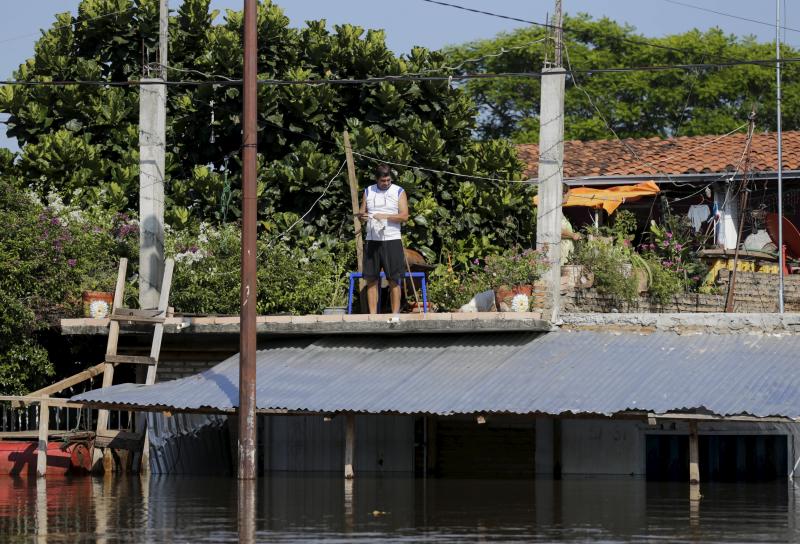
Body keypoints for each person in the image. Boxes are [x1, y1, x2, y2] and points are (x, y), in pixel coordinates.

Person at [358, 163, 409, 314]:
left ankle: (395, 315)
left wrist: (384, 216)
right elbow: (361, 214)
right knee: (371, 280)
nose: (386, 183)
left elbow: (405, 216)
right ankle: (373, 317)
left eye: (388, 180)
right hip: (372, 240)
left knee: (394, 279)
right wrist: (363, 217)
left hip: (392, 239)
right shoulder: (368, 191)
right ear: (376, 179)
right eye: (383, 181)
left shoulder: (399, 191)